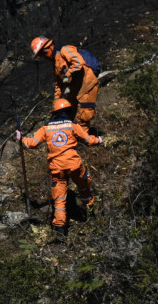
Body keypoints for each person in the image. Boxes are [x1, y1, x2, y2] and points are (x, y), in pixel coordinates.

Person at [17, 98, 103, 239]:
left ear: (54, 113)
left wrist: (21, 138)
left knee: (60, 200)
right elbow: (89, 140)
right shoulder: (72, 125)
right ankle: (92, 216)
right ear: (68, 111)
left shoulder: (46, 128)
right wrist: (99, 140)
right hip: (74, 165)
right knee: (84, 187)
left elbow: (32, 144)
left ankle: (60, 232)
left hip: (57, 169)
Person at [30, 37, 100, 129]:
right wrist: (56, 100)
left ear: (48, 47)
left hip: (88, 83)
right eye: (41, 55)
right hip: (76, 88)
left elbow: (78, 62)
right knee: (67, 111)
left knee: (84, 115)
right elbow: (59, 83)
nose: (44, 57)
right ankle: (69, 134)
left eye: (43, 54)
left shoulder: (65, 50)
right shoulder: (55, 63)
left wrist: (68, 74)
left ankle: (83, 136)